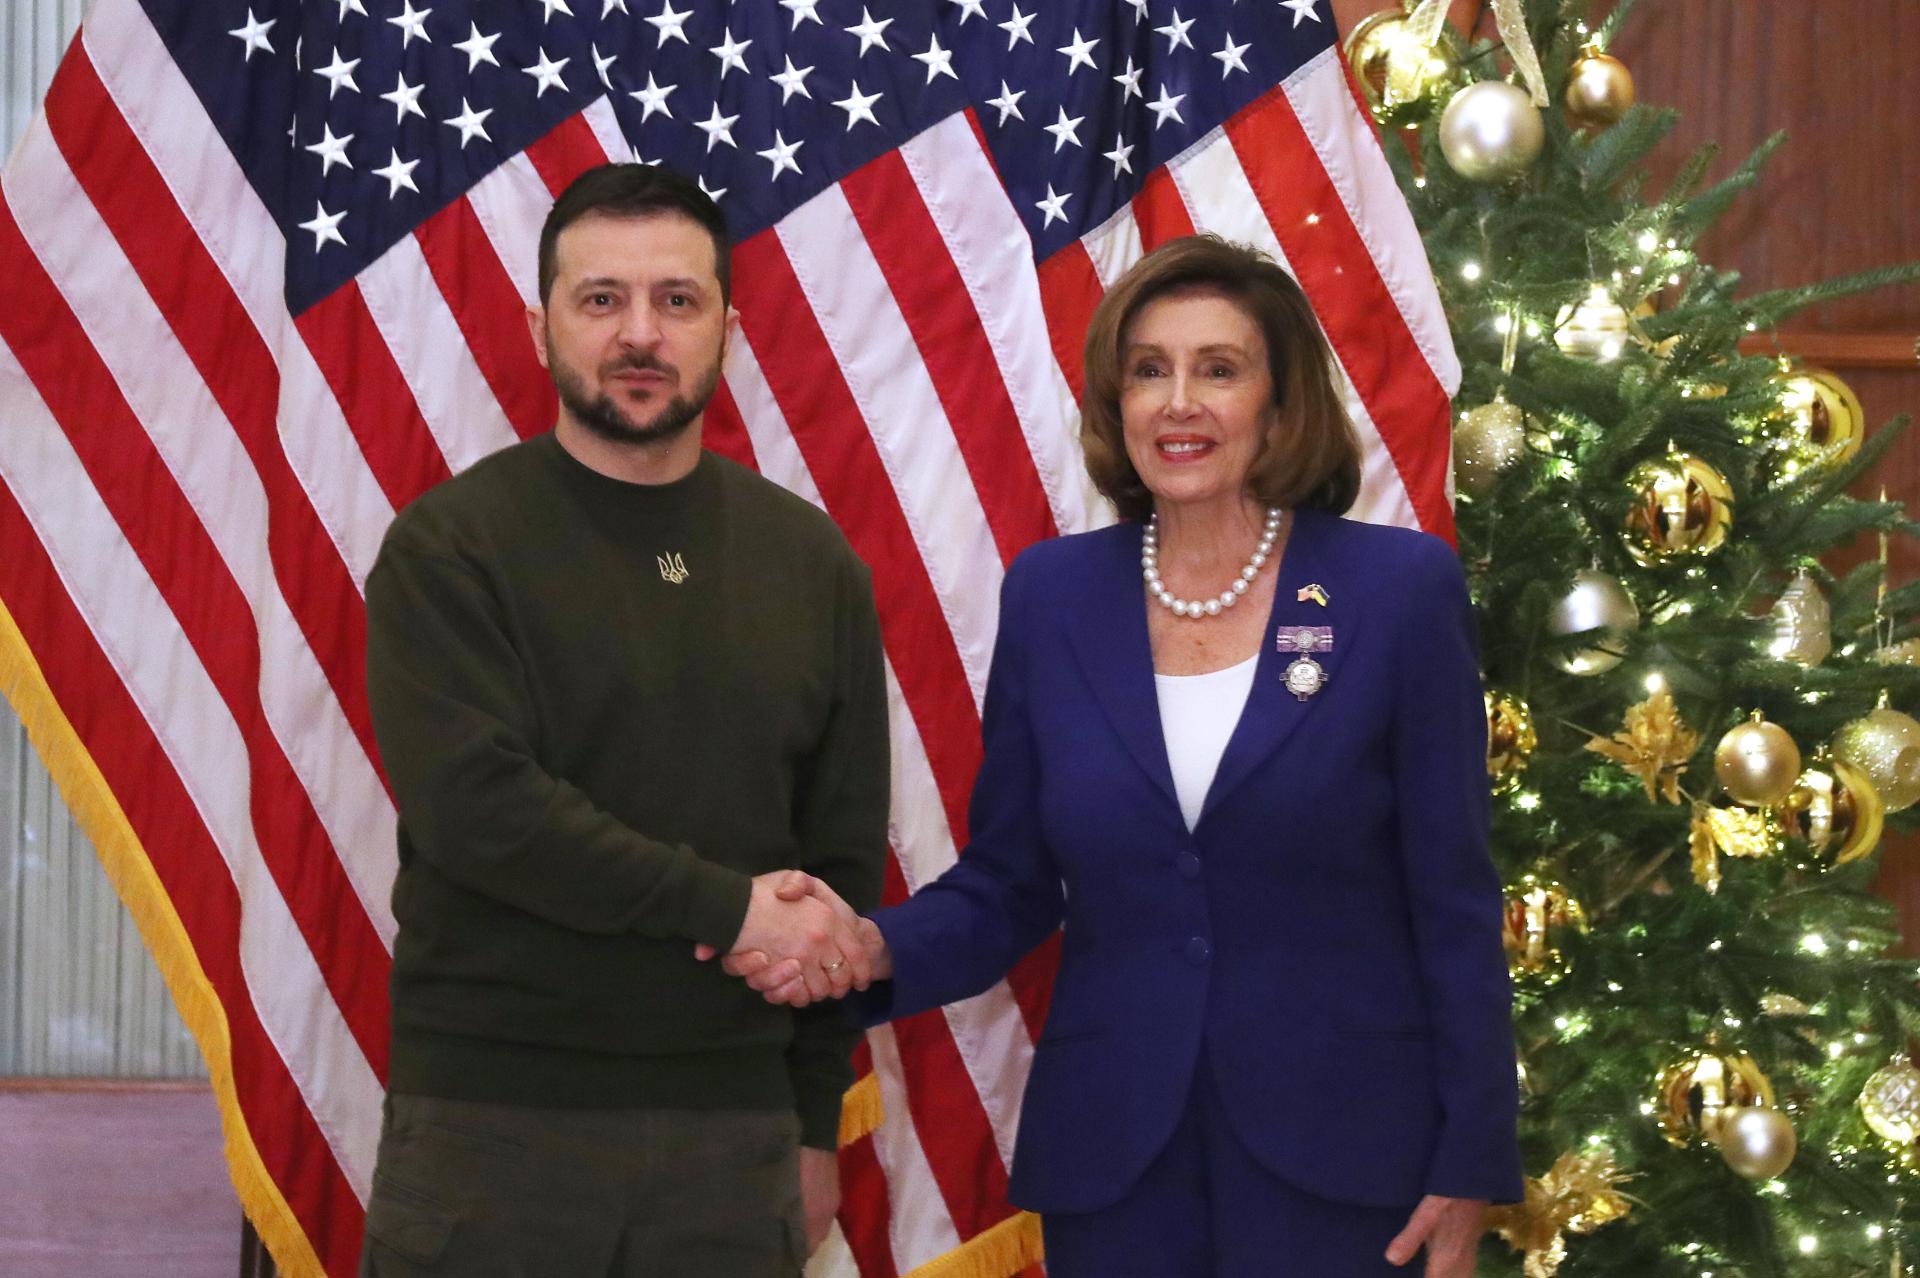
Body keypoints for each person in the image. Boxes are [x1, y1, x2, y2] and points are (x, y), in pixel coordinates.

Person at [714, 234, 1523, 1277]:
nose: (1179, 403)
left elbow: (1453, 900)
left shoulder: (1396, 590)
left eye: (1218, 369)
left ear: (1280, 405)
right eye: (1149, 371)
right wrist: (867, 947)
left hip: (1351, 1159)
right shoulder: (1053, 598)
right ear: (1117, 402)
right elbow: (1009, 885)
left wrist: (1471, 1159)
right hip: (1118, 1168)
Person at [357, 163, 888, 1277]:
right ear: (540, 326)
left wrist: (809, 1121)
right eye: (601, 299)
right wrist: (730, 910)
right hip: (491, 1131)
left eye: (676, 300)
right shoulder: (450, 548)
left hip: (736, 1142)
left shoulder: (813, 563)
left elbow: (837, 865)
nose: (640, 333)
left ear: (727, 331)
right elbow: (483, 813)